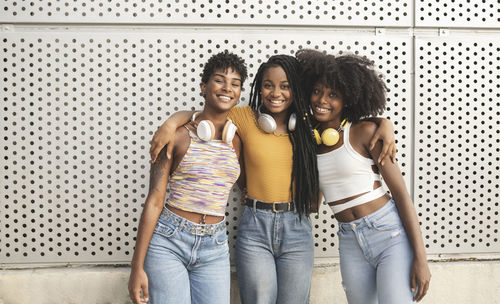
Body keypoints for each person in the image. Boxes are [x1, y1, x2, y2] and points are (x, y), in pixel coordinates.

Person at [149, 54, 396, 304]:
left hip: (297, 227)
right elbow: (209, 114)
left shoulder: (309, 125)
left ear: (295, 90)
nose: (276, 93)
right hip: (255, 227)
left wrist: (383, 122)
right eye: (268, 85)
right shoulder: (244, 118)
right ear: (259, 88)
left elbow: (346, 122)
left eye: (285, 86)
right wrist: (172, 122)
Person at [296, 49, 431, 304]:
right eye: (317, 91)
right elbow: (313, 203)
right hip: (349, 239)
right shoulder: (309, 144)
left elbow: (401, 195)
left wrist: (421, 258)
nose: (322, 100)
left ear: (347, 99)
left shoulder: (366, 132)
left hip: (389, 233)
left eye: (333, 94)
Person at [127, 50, 248, 304]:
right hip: (169, 241)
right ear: (204, 87)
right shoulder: (177, 136)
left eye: (235, 84)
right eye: (219, 80)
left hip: (215, 245)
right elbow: (155, 200)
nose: (227, 88)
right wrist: (136, 267)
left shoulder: (236, 140)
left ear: (239, 93)